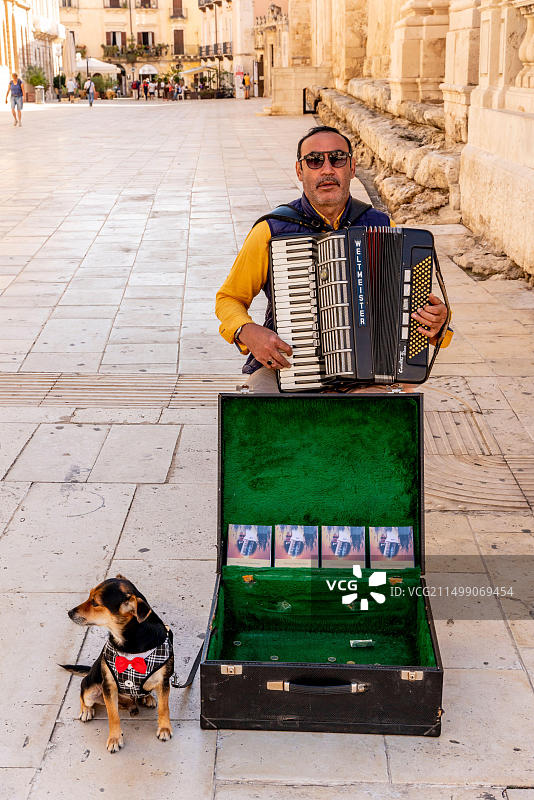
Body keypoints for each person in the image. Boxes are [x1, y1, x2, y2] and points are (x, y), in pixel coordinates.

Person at [216, 125, 451, 393]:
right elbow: (229, 298)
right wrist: (246, 331)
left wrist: (437, 322)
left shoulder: (383, 226)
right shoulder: (271, 230)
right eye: (314, 160)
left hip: (370, 373)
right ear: (299, 171)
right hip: (286, 366)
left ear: (351, 167)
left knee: (392, 412)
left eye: (337, 159)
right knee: (260, 407)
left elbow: (410, 306)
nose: (327, 169)